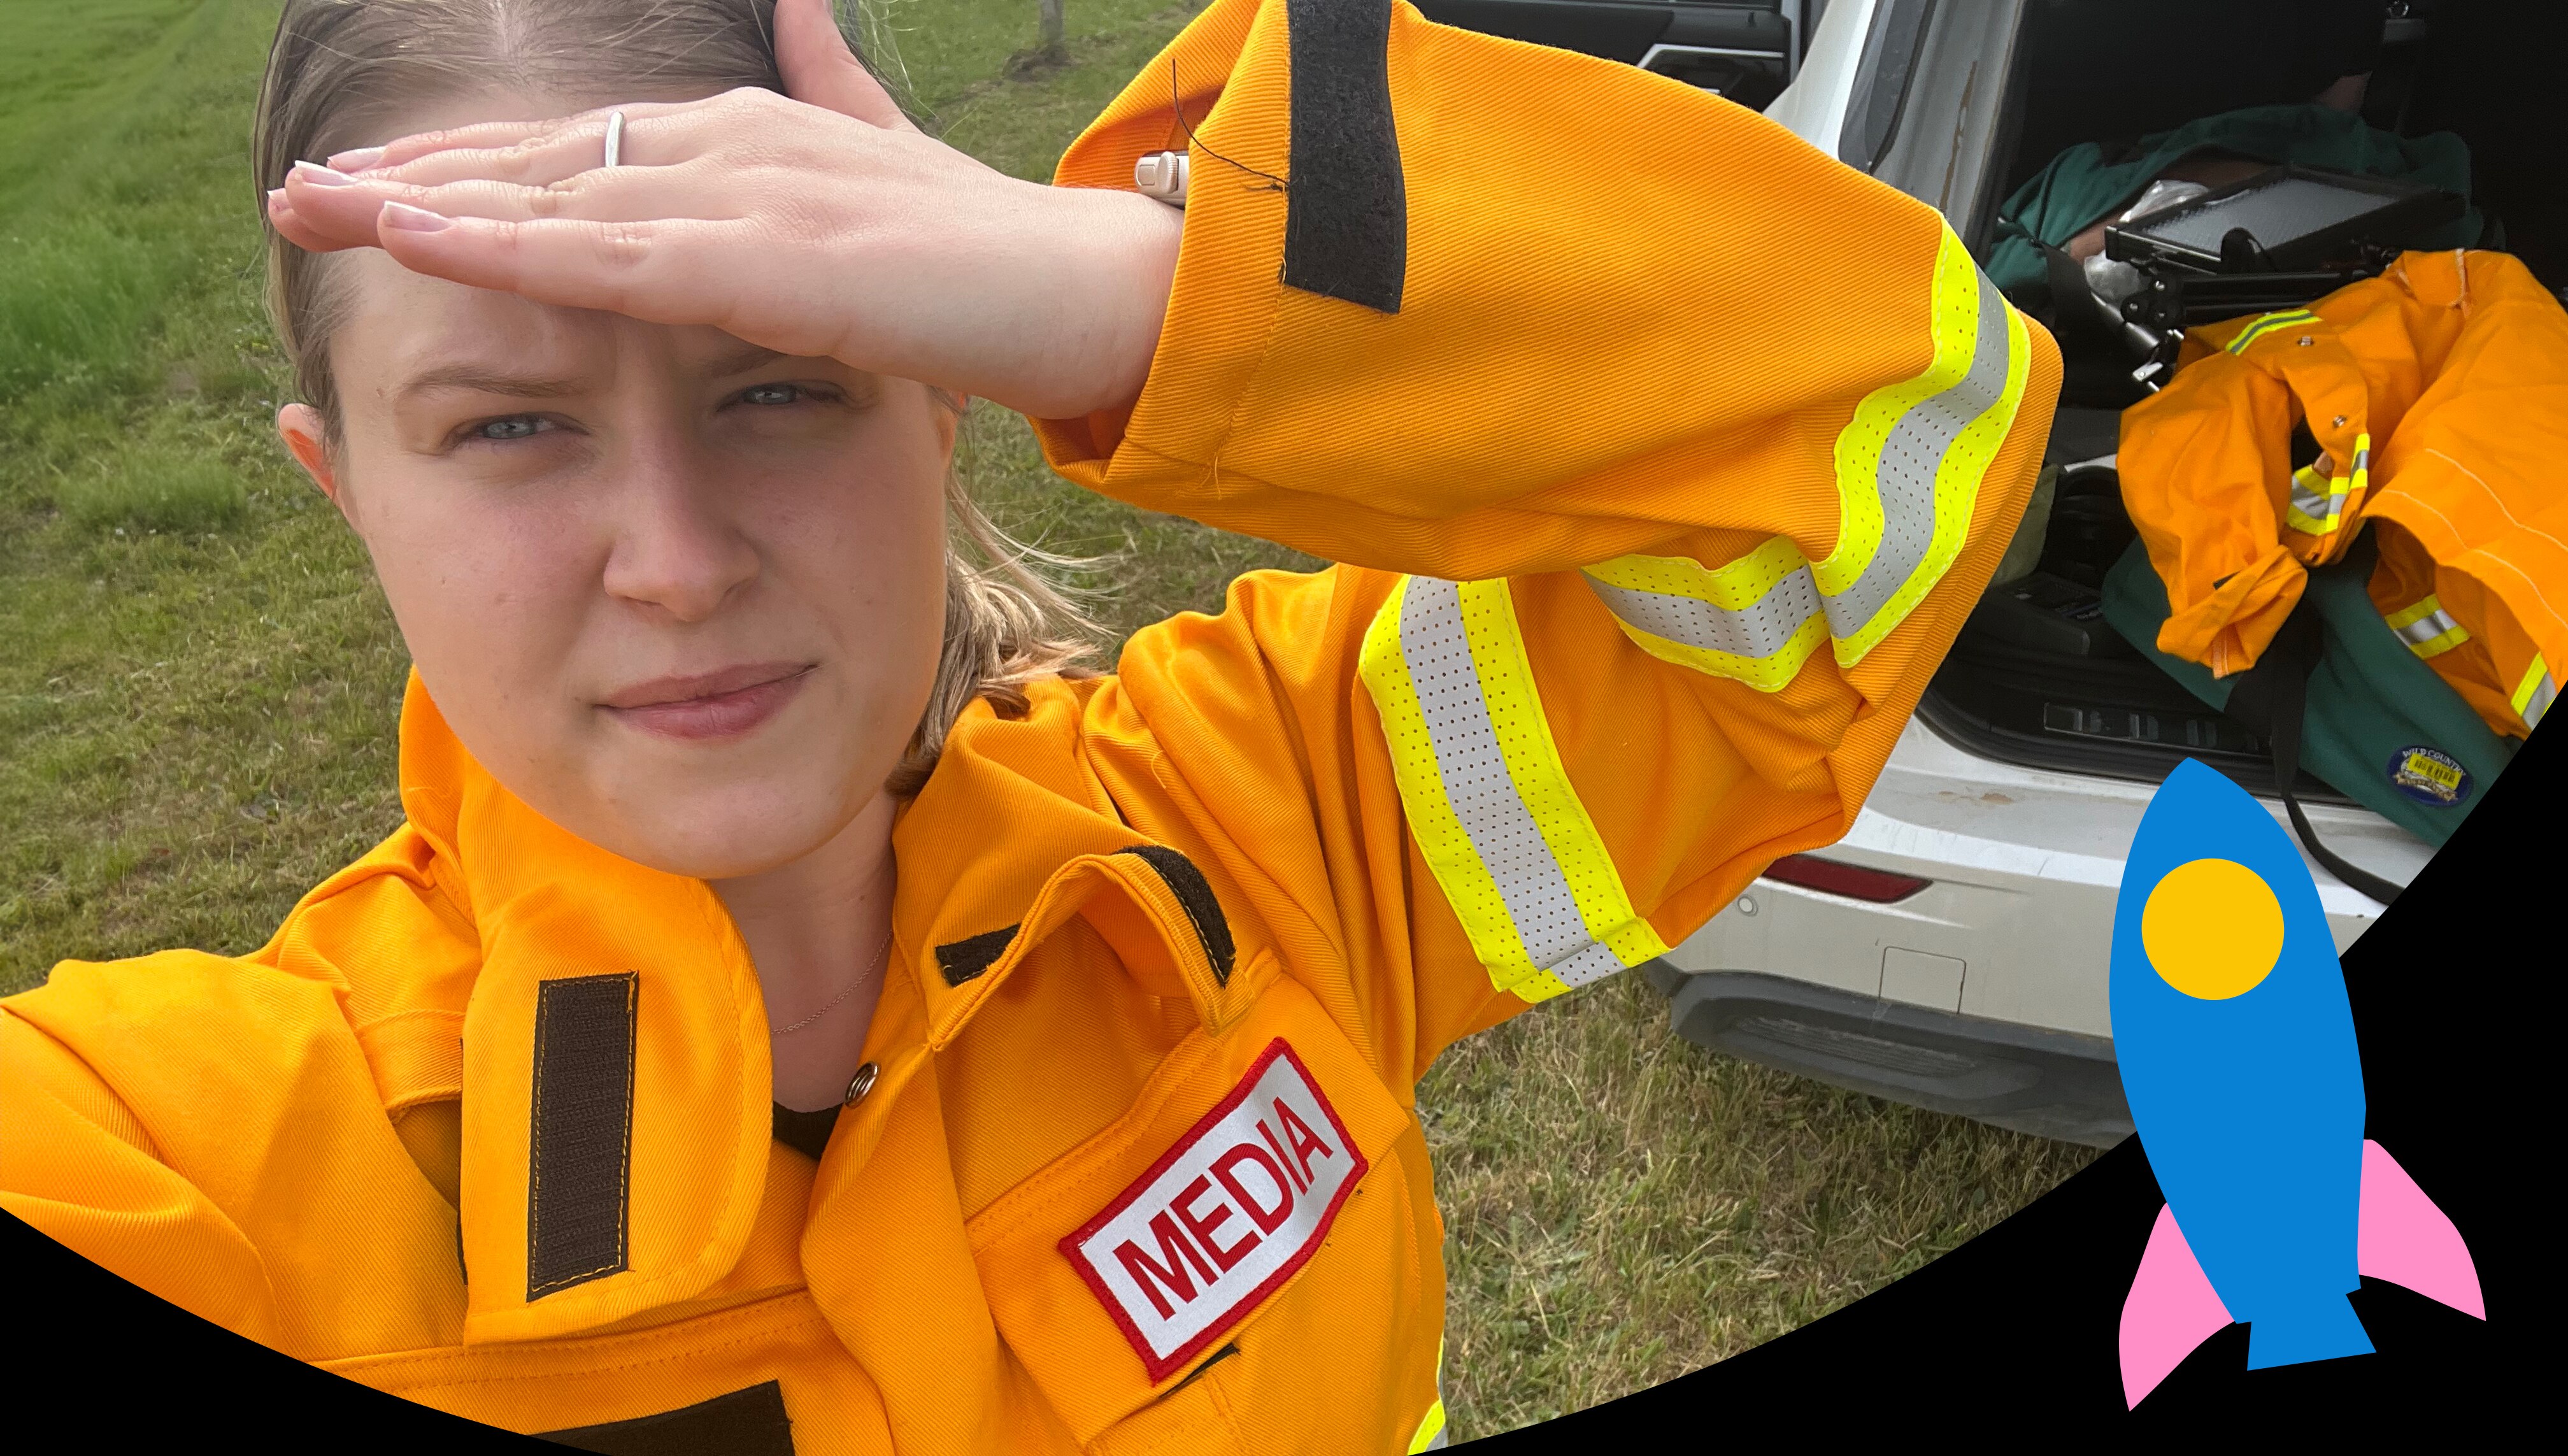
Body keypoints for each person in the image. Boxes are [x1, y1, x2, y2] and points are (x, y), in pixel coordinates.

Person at [0, 0, 2059, 1448]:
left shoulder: (1275, 814)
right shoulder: (193, 1159)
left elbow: (1896, 467)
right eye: (511, 427)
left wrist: (1172, 293)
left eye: (782, 380)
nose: (677, 558)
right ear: (343, 484)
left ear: (945, 372)